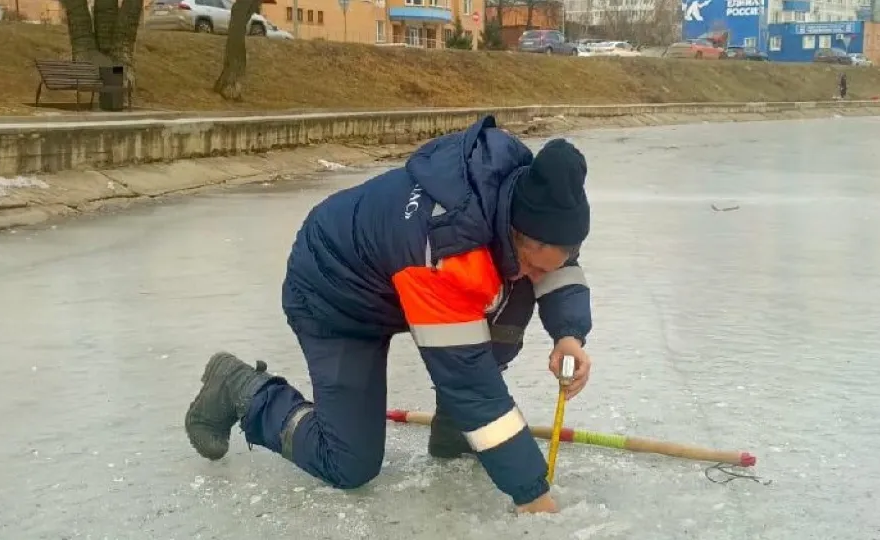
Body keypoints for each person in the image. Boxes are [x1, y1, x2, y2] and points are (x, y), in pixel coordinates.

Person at [184, 115, 593, 514]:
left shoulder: (524, 195)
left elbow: (555, 267)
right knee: (349, 463)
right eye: (536, 265)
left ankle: (453, 433)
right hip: (336, 298)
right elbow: (471, 384)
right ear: (515, 232)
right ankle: (244, 389)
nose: (538, 277)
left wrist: (569, 333)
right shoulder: (446, 250)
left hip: (397, 282)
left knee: (511, 290)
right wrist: (531, 493)